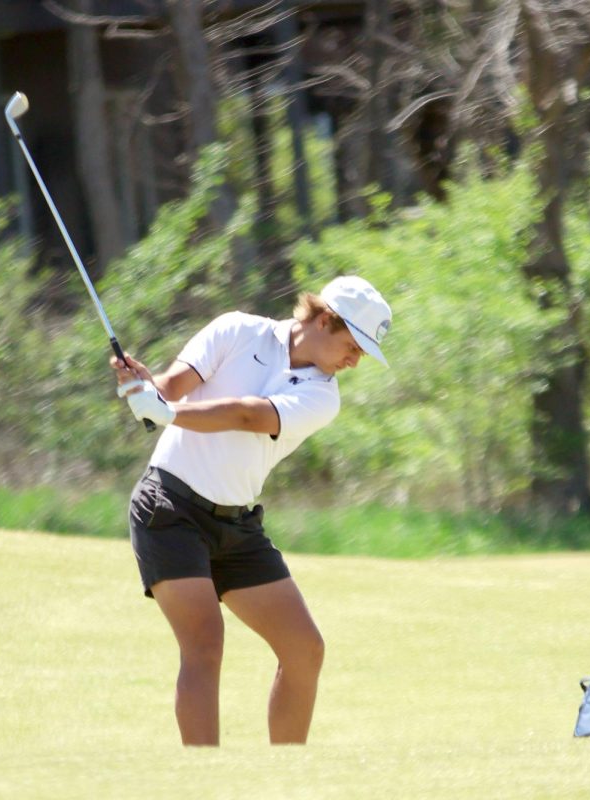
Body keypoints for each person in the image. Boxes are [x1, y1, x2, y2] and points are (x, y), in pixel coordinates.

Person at [111, 275, 391, 746]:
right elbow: (172, 387)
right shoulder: (236, 331)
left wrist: (168, 412)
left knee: (304, 649)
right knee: (204, 643)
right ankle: (207, 784)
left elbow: (248, 415)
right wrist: (143, 390)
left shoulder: (323, 395)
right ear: (324, 320)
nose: (354, 360)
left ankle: (284, 780)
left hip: (235, 524)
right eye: (353, 345)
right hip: (168, 508)